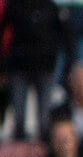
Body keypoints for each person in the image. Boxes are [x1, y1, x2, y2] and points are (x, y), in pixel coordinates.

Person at [0, 0, 65, 141]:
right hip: (19, 67)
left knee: (44, 120)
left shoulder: (49, 6)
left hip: (44, 66)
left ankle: (45, 156)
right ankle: (18, 156)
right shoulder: (15, 5)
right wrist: (4, 65)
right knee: (18, 118)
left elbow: (63, 33)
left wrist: (53, 55)